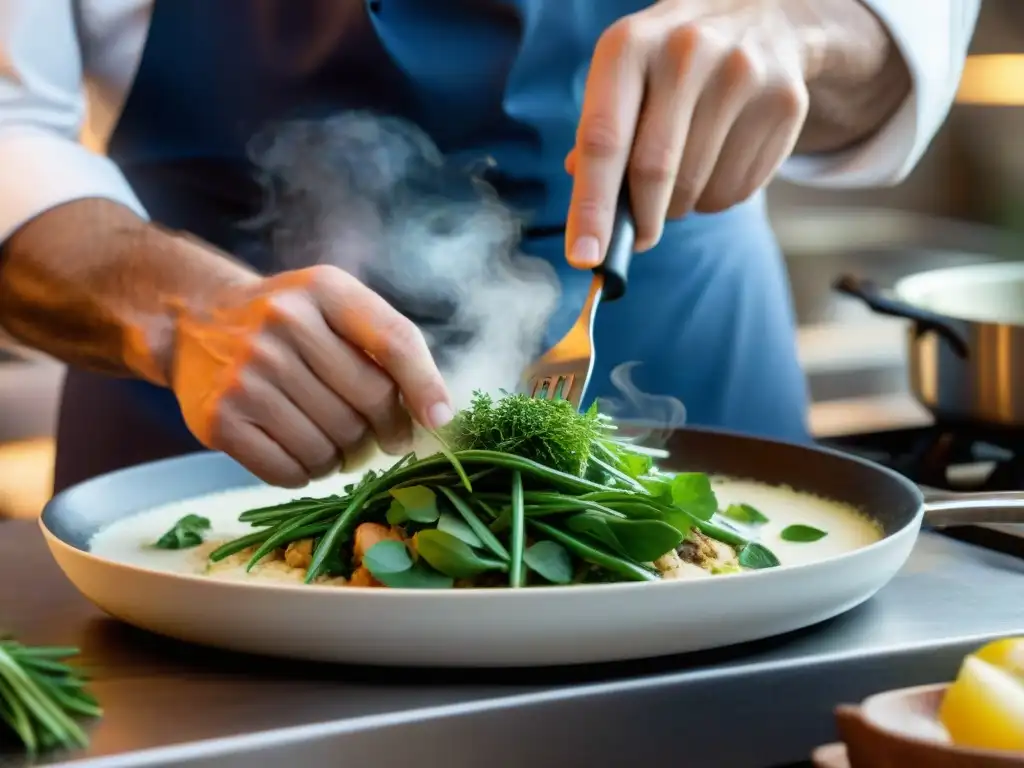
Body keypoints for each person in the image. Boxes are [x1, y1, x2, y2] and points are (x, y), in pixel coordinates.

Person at [0, 0, 979, 493]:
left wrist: (808, 26)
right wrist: (178, 310)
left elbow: (893, 22)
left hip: (673, 305)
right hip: (215, 388)